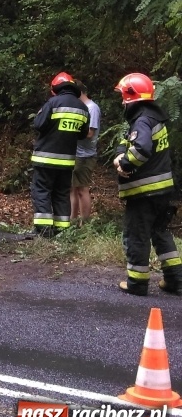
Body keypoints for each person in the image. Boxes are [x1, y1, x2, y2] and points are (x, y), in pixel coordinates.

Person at [113, 73, 182, 296]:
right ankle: (175, 280)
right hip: (162, 190)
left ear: (131, 97)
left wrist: (124, 164)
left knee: (136, 235)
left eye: (123, 97)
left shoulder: (142, 120)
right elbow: (129, 142)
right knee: (160, 232)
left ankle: (137, 283)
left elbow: (141, 149)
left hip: (144, 192)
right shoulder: (153, 118)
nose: (122, 101)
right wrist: (120, 152)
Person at [30, 72, 90, 237]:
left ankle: (43, 230)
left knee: (41, 191)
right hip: (67, 161)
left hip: (45, 159)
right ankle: (62, 230)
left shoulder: (53, 103)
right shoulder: (83, 108)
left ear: (56, 88)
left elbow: (39, 124)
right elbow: (82, 134)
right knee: (62, 193)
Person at [70, 83, 101, 224]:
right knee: (72, 189)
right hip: (74, 153)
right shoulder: (78, 107)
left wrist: (69, 133)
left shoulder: (92, 108)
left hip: (86, 155)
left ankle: (85, 224)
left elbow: (90, 133)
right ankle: (72, 221)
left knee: (82, 189)